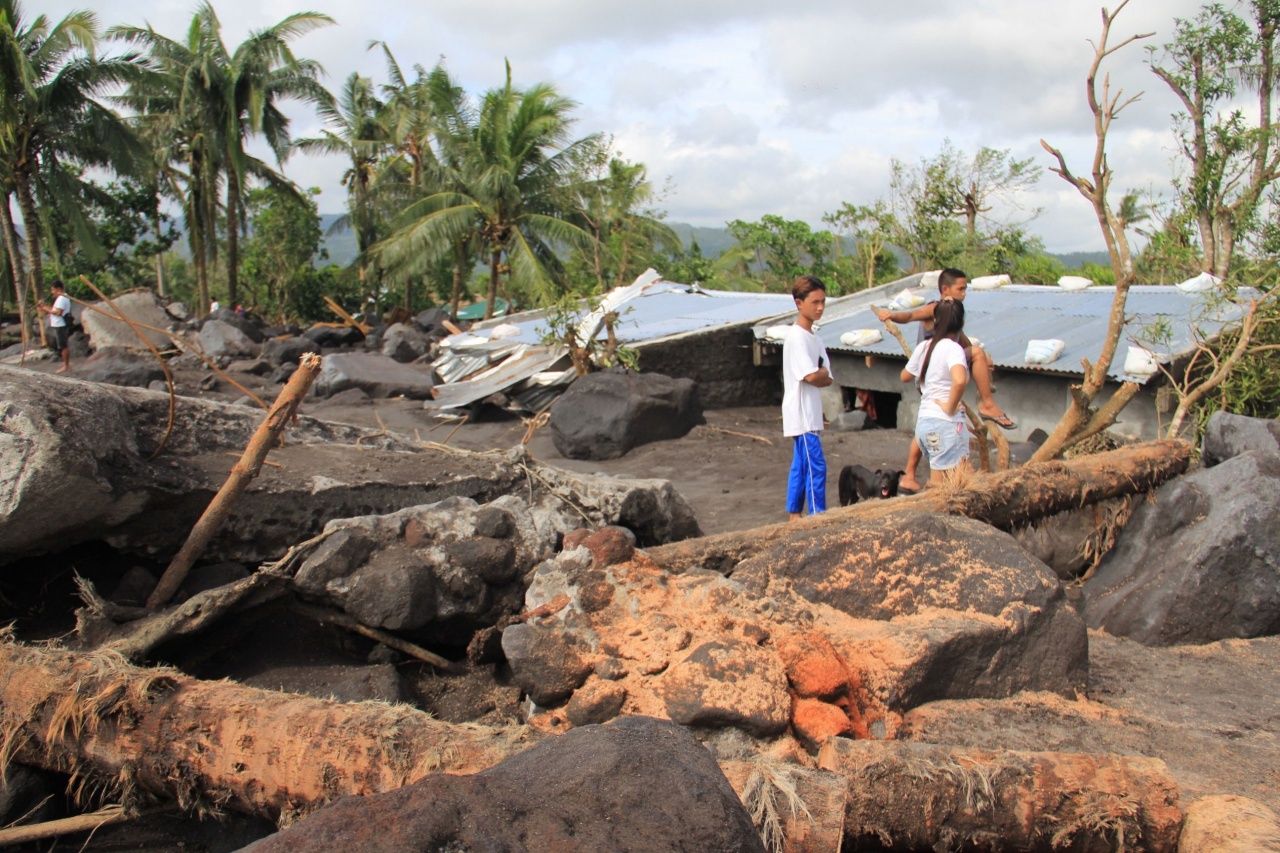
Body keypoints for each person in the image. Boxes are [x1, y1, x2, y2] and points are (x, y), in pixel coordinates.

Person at [874, 268, 1014, 491]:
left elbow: (906, 375)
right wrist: (890, 315)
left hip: (930, 400)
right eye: (961, 289)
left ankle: (916, 479)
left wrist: (984, 363)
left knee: (931, 443)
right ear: (945, 290)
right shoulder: (936, 310)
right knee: (956, 463)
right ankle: (986, 402)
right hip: (937, 383)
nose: (965, 293)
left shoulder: (948, 323)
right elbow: (909, 316)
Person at [901, 298, 971, 486]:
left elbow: (904, 376)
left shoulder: (924, 347)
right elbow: (959, 380)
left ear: (935, 321)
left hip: (924, 425)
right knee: (954, 488)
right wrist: (950, 406)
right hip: (946, 424)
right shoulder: (953, 348)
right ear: (961, 324)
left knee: (938, 485)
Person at [782, 275, 834, 520]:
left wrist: (820, 373)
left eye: (823, 301)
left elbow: (827, 376)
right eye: (815, 302)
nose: (820, 307)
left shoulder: (816, 338)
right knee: (816, 465)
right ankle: (816, 515)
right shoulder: (796, 337)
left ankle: (794, 514)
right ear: (799, 303)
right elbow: (813, 376)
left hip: (810, 413)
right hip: (801, 413)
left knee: (801, 464)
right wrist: (820, 373)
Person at [36, 279, 73, 373]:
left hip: (61, 324)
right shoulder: (61, 298)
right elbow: (54, 310)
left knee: (63, 345)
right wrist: (43, 307)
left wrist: (44, 308)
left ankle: (66, 366)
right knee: (62, 345)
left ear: (58, 289)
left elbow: (58, 312)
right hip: (59, 324)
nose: (52, 292)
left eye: (53, 290)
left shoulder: (62, 298)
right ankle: (66, 364)